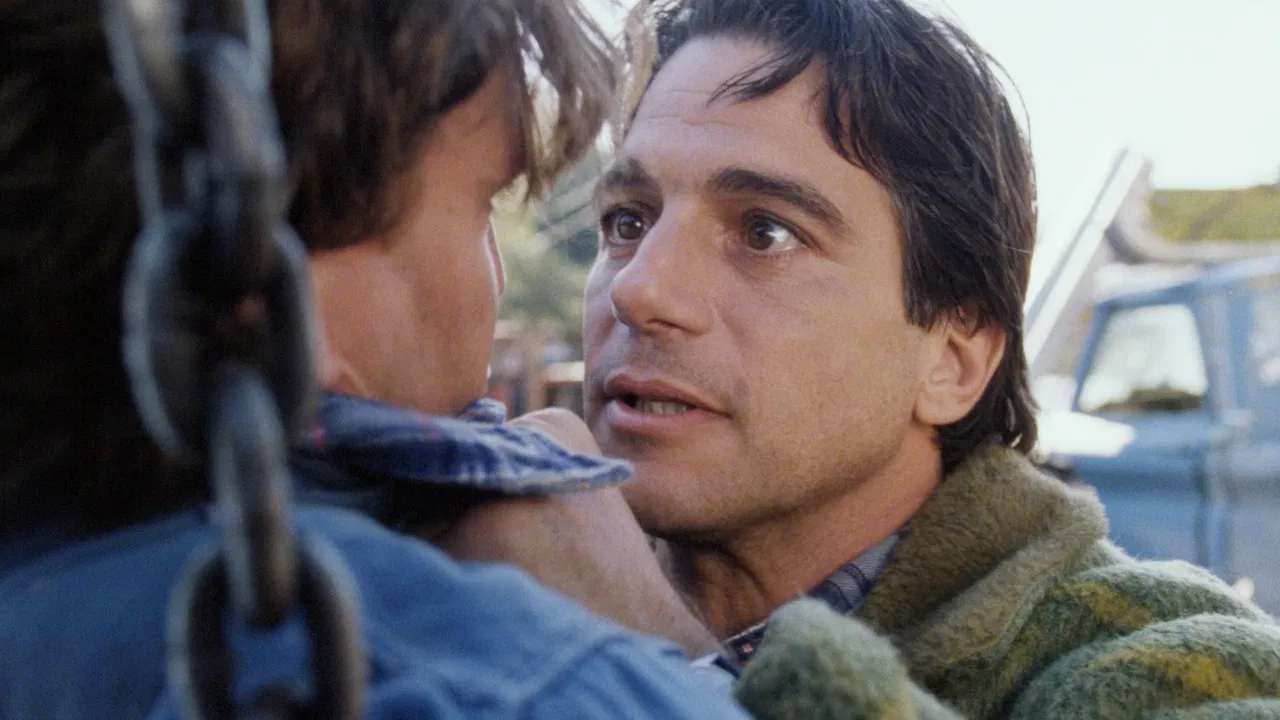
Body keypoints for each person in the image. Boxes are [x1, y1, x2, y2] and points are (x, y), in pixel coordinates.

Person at [0, 0, 749, 716]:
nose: (638, 291)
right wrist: (662, 655)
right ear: (270, 283)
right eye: (484, 205)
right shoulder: (498, 683)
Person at [580, 0, 1280, 716]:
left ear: (953, 362)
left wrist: (642, 651)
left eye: (766, 233)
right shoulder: (515, 585)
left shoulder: (1180, 668)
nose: (639, 289)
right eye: (627, 221)